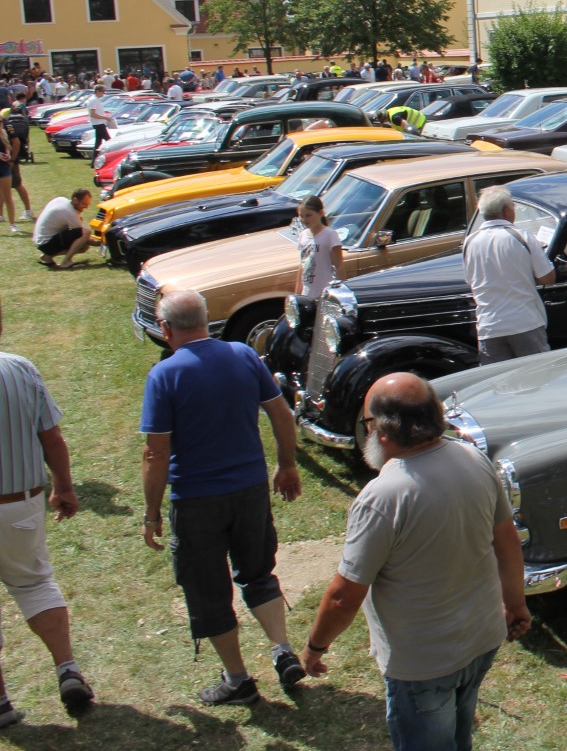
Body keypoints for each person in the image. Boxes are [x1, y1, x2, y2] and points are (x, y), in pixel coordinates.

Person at [299, 373, 529, 751]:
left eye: (367, 422)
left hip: (424, 663)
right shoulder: (473, 457)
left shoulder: (383, 498)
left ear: (383, 433)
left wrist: (314, 648)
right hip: (481, 638)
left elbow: (344, 596)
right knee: (457, 735)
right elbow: (506, 542)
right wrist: (515, 603)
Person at [140, 289, 304, 706]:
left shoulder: (165, 375)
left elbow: (157, 452)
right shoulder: (244, 356)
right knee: (258, 573)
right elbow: (282, 413)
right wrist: (286, 464)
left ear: (165, 329)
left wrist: (152, 511)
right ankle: (282, 648)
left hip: (196, 500)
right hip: (249, 490)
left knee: (208, 590)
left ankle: (238, 679)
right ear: (207, 317)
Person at [0, 301, 94, 727]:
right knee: (35, 584)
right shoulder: (20, 369)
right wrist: (65, 487)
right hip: (18, 503)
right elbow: (52, 437)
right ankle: (67, 669)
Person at [462, 186, 556, 364]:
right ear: (506, 211)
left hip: (489, 327)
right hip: (524, 323)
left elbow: (471, 280)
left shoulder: (470, 242)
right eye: (513, 207)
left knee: (499, 385)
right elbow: (548, 278)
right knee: (537, 377)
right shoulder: (522, 236)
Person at [295, 196, 343, 299]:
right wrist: (298, 294)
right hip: (307, 293)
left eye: (308, 215)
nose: (304, 219)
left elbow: (339, 266)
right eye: (301, 216)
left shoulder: (330, 235)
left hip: (325, 293)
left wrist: (340, 293)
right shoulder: (302, 236)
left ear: (321, 213)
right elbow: (302, 266)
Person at [33, 190, 93, 270]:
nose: (86, 207)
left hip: (39, 240)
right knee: (86, 234)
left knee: (83, 244)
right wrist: (102, 242)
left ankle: (47, 256)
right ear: (75, 200)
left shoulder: (61, 200)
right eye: (83, 204)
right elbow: (82, 237)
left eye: (87, 204)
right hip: (46, 243)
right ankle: (66, 262)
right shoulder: (70, 213)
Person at [85, 87, 115, 158]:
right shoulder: (94, 100)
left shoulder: (95, 99)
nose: (103, 94)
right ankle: (113, 155)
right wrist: (105, 118)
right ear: (97, 91)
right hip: (98, 123)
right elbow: (93, 114)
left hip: (99, 123)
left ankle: (94, 160)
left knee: (98, 143)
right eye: (102, 92)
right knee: (109, 140)